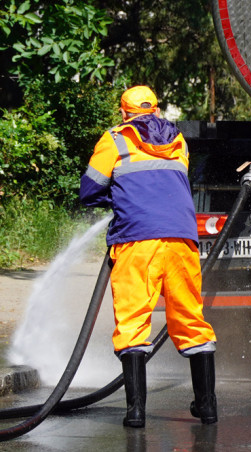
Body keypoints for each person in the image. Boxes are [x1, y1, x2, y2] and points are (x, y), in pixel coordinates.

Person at [79, 86, 218, 427]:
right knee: (191, 321)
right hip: (182, 241)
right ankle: (208, 408)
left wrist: (119, 200)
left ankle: (136, 412)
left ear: (124, 113)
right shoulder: (180, 143)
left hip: (137, 240)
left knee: (133, 322)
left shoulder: (115, 140)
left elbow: (90, 190)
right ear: (156, 111)